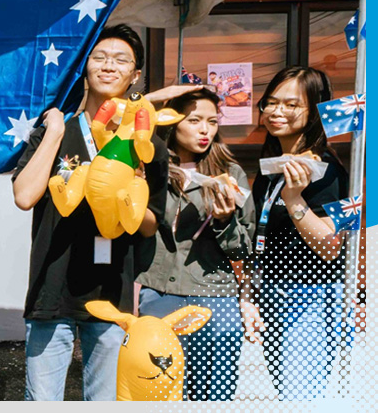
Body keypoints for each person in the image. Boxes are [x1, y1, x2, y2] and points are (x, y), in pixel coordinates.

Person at [11, 24, 198, 401]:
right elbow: (25, 195)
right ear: (85, 66)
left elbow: (150, 226)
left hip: (113, 299)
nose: (109, 66)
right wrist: (53, 132)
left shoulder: (149, 147)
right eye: (100, 57)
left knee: (107, 403)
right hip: (52, 289)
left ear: (136, 75)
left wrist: (132, 193)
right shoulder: (56, 129)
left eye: (121, 60)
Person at [134, 88, 255, 401]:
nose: (205, 130)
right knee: (157, 390)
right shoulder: (149, 170)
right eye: (195, 120)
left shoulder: (231, 174)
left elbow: (243, 251)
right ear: (172, 123)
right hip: (157, 292)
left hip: (214, 298)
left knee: (212, 396)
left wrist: (225, 221)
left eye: (212, 122)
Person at [248, 66, 353, 401]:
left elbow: (330, 247)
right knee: (288, 395)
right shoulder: (271, 169)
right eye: (271, 102)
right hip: (272, 295)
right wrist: (249, 293)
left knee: (301, 397)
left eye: (291, 105)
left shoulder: (327, 171)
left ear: (315, 111)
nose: (277, 111)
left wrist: (294, 199)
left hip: (310, 297)